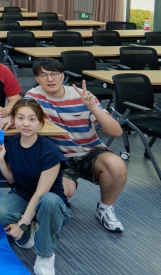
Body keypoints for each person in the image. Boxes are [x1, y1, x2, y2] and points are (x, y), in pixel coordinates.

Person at [16, 59, 126, 232]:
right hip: (60, 157)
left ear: (62, 76)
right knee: (64, 191)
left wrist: (93, 107)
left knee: (116, 165)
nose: (50, 79)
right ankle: (63, 198)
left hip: (90, 151)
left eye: (54, 74)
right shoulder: (34, 97)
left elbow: (116, 131)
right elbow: (21, 116)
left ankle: (105, 208)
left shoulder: (81, 95)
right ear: (37, 79)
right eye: (43, 75)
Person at [0, 99, 71, 275]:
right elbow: (12, 180)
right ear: (13, 120)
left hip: (50, 204)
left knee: (48, 201)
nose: (26, 123)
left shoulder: (50, 152)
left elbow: (40, 194)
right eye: (20, 118)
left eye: (32, 119)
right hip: (23, 195)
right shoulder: (11, 144)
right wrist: (1, 160)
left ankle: (45, 255)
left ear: (41, 123)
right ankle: (29, 232)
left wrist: (21, 224)